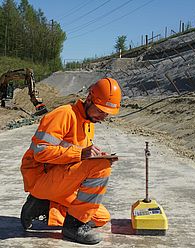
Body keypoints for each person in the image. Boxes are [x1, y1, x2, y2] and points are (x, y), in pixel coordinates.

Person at [20, 77, 122, 245]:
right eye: (100, 111)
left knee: (101, 217)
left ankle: (43, 205)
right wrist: (82, 154)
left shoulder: (89, 122)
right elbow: (41, 152)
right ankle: (73, 227)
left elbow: (78, 158)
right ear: (89, 99)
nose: (103, 117)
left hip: (61, 181)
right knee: (101, 167)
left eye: (107, 114)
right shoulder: (64, 114)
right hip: (41, 178)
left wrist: (93, 156)